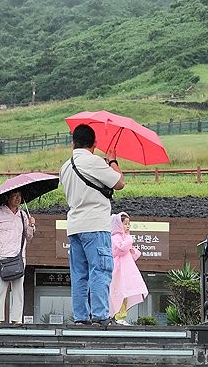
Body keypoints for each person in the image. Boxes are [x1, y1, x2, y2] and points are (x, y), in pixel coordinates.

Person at [60, 124, 124, 326]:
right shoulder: (94, 161)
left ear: (73, 143)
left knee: (79, 274)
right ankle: (100, 315)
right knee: (100, 270)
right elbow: (119, 182)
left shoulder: (66, 166)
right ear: (94, 144)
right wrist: (112, 160)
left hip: (74, 226)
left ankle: (80, 317)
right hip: (95, 225)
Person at [0, 189, 36, 323]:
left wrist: (31, 225)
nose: (17, 199)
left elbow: (29, 237)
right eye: (14, 196)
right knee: (0, 288)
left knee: (18, 289)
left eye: (19, 196)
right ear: (8, 197)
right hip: (2, 256)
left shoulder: (23, 215)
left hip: (19, 257)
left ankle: (17, 319)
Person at [109, 212, 148, 325]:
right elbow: (120, 249)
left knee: (125, 293)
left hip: (125, 272)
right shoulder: (115, 237)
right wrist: (129, 240)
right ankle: (117, 316)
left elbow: (130, 255)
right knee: (118, 293)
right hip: (118, 271)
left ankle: (120, 316)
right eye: (125, 224)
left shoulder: (124, 238)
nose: (128, 226)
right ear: (118, 224)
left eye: (128, 224)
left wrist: (132, 250)